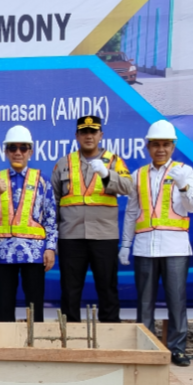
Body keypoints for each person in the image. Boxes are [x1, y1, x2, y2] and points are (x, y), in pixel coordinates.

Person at [120, 121, 193, 366]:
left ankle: (178, 349)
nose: (161, 149)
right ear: (148, 146)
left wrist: (183, 186)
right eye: (156, 144)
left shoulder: (184, 171)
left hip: (175, 246)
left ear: (173, 146)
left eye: (166, 144)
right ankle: (146, 347)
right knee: (144, 301)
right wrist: (126, 244)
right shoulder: (138, 175)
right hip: (145, 246)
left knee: (177, 299)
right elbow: (132, 213)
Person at [51, 115, 134, 323]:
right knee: (70, 290)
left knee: (107, 288)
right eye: (84, 132)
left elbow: (128, 187)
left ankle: (110, 337)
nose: (89, 136)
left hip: (104, 236)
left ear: (101, 135)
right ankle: (68, 339)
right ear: (77, 135)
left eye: (93, 132)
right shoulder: (63, 163)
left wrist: (107, 174)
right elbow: (54, 202)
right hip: (71, 236)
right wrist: (55, 238)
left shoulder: (114, 161)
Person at [0, 125, 58, 323]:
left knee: (35, 307)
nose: (18, 152)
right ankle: (6, 351)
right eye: (13, 148)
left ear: (30, 152)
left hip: (34, 254)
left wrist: (51, 248)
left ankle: (36, 351)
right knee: (5, 307)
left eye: (23, 148)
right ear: (6, 151)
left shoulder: (42, 181)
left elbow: (51, 217)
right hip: (4, 254)